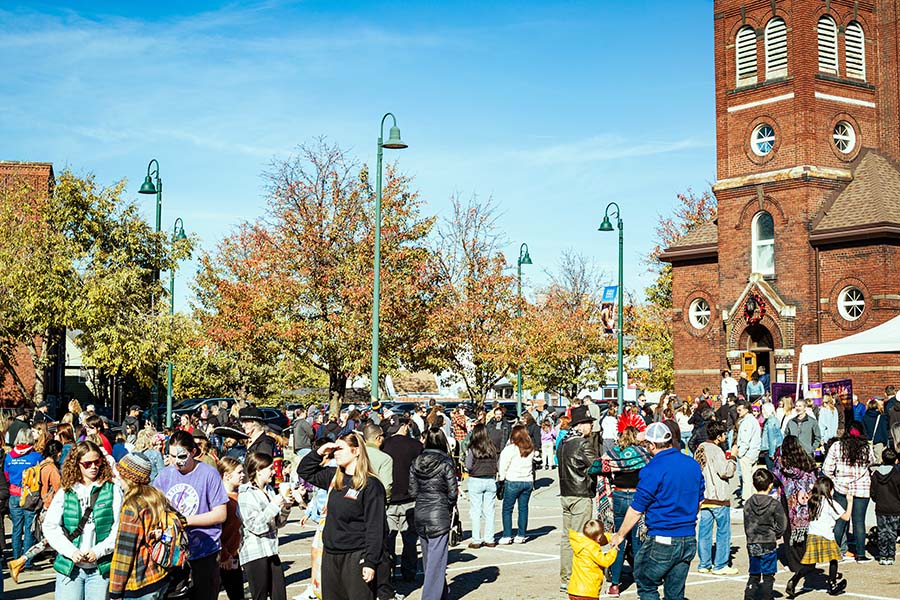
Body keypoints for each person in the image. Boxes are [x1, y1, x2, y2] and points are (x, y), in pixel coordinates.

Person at [609, 422, 704, 600]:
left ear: (652, 445)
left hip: (662, 536)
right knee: (675, 592)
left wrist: (620, 535)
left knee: (646, 583)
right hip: (688, 536)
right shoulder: (692, 464)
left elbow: (637, 508)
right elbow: (699, 500)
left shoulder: (652, 469)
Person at [297, 432, 386, 600]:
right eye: (334, 449)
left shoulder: (371, 485)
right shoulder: (334, 477)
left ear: (356, 451)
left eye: (340, 449)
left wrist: (370, 562)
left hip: (356, 555)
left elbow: (375, 527)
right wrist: (320, 452)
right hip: (331, 554)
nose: (335, 453)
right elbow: (304, 471)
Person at [153, 429, 229, 600]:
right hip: (173, 552)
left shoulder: (209, 474)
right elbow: (155, 510)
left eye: (181, 456)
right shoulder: (164, 476)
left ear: (193, 452)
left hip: (205, 551)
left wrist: (185, 520)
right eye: (171, 456)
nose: (176, 461)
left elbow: (220, 514)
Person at [42, 440, 123, 598]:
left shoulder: (112, 489)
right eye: (87, 464)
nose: (94, 467)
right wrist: (70, 551)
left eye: (97, 462)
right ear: (77, 464)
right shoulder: (66, 491)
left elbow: (118, 528)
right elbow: (50, 526)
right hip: (70, 566)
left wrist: (99, 551)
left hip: (100, 568)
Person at [108, 452, 178, 600]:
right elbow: (180, 520)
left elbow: (125, 551)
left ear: (129, 477)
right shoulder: (156, 496)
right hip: (160, 575)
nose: (117, 477)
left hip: (139, 582)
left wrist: (115, 591)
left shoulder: (132, 506)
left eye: (120, 473)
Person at [592, 426, 651, 597]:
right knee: (638, 541)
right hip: (637, 497)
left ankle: (614, 585)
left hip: (618, 496)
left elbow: (596, 467)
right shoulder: (643, 454)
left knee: (618, 540)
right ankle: (641, 585)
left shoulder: (613, 453)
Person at [409, 427, 458, 600]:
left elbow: (412, 491)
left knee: (429, 559)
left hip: (421, 511)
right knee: (436, 561)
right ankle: (431, 596)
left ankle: (440, 593)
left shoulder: (416, 461)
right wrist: (447, 505)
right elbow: (453, 493)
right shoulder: (446, 462)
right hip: (438, 512)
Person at [238, 452, 294, 600]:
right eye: (270, 468)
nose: (274, 471)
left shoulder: (269, 489)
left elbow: (279, 523)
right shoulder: (245, 493)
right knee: (260, 596)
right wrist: (274, 505)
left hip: (271, 549)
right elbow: (255, 526)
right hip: (254, 552)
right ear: (258, 470)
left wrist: (286, 507)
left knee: (279, 595)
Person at [557, 405, 600, 592]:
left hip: (566, 492)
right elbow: (597, 465)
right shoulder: (582, 444)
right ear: (581, 425)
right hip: (580, 493)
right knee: (580, 538)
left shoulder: (563, 442)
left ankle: (566, 577)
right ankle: (576, 577)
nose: (592, 426)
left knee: (567, 538)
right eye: (589, 423)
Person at [786, 477, 851, 598]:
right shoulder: (830, 503)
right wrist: (850, 502)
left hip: (812, 535)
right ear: (828, 490)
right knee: (833, 559)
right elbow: (846, 517)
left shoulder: (813, 501)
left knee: (810, 565)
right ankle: (832, 584)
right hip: (826, 536)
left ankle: (793, 580)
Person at [822, 422, 874, 562]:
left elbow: (826, 469)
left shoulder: (837, 446)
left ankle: (835, 553)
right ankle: (861, 554)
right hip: (862, 487)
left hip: (841, 487)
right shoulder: (866, 448)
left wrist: (835, 480)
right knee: (859, 521)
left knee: (840, 521)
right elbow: (872, 462)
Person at [382, 416, 423, 582]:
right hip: (410, 498)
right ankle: (409, 571)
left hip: (389, 498)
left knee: (388, 538)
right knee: (410, 539)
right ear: (405, 426)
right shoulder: (416, 445)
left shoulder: (383, 445)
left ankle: (388, 570)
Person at [694, 421, 738, 576]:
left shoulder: (700, 448)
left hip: (704, 496)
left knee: (704, 532)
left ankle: (704, 563)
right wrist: (733, 457)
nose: (725, 437)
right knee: (723, 532)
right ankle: (720, 564)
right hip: (718, 497)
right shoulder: (716, 450)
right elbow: (726, 471)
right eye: (724, 434)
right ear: (718, 436)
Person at [772, 435, 818, 580]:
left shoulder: (781, 464)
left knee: (789, 532)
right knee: (805, 530)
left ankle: (795, 564)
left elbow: (774, 478)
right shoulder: (807, 462)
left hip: (788, 500)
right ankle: (809, 562)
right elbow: (814, 478)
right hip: (805, 500)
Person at [743, 469, 787, 600]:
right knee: (768, 575)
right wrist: (776, 534)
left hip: (753, 542)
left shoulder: (748, 503)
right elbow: (782, 524)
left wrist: (750, 536)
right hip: (768, 541)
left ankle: (749, 596)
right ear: (771, 485)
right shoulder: (774, 504)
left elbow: (746, 523)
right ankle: (767, 597)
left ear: (753, 484)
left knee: (754, 573)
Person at [5, 427, 42, 568]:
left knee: (16, 528)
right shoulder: (36, 456)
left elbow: (7, 475)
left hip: (14, 494)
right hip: (29, 496)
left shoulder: (9, 456)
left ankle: (16, 558)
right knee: (29, 528)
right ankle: (26, 561)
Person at [498, 424, 535, 544]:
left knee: (507, 509)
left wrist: (501, 479)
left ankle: (507, 535)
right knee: (523, 509)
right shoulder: (530, 449)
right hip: (527, 480)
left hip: (513, 480)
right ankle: (521, 534)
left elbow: (503, 465)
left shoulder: (510, 449)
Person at [465, 423, 498, 549]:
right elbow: (497, 463)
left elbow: (468, 465)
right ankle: (489, 538)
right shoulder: (492, 447)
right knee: (490, 511)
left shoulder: (472, 448)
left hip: (476, 479)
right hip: (490, 479)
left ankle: (476, 539)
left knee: (476, 510)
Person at [567, 519, 617, 600]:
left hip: (574, 590)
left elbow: (602, 538)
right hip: (588, 592)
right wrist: (613, 550)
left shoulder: (581, 542)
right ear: (599, 538)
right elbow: (605, 561)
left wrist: (610, 536)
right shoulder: (592, 548)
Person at [217, 456, 244, 600]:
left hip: (234, 555)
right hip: (221, 556)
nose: (243, 475)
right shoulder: (221, 500)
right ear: (227, 476)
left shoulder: (241, 495)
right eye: (239, 472)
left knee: (237, 595)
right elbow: (214, 531)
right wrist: (224, 555)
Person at [871, 447, 900, 565]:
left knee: (882, 532)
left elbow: (873, 492)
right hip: (895, 507)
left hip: (881, 507)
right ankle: (890, 556)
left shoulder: (875, 474)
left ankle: (883, 556)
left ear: (882, 459)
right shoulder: (897, 475)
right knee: (892, 532)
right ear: (896, 460)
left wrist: (877, 500)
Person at [736, 400, 762, 502]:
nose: (738, 412)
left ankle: (746, 499)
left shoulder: (747, 422)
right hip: (753, 452)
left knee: (746, 479)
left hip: (747, 454)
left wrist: (740, 454)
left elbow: (745, 441)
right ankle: (755, 497)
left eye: (740, 410)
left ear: (746, 410)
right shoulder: (753, 420)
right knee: (753, 477)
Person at [759, 403, 784, 471]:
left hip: (770, 450)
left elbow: (772, 439)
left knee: (772, 470)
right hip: (775, 449)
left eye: (763, 410)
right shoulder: (774, 419)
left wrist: (771, 453)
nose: (762, 412)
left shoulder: (770, 422)